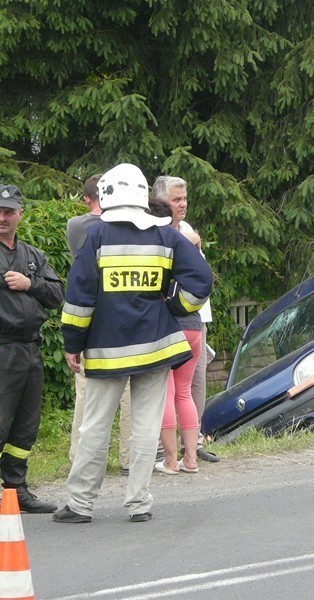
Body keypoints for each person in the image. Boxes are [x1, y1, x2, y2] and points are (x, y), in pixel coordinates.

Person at [55, 163, 212, 524]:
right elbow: (201, 279)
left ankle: (80, 505)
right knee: (145, 426)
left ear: (107, 198)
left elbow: (79, 298)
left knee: (94, 426)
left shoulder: (95, 237)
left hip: (106, 350)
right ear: (144, 197)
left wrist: (73, 342)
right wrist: (174, 306)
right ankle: (139, 503)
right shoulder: (165, 236)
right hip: (156, 347)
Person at [0, 183, 64, 513]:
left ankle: (15, 489)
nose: (2, 217)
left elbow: (56, 296)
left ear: (19, 215)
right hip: (2, 350)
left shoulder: (32, 256)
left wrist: (30, 283)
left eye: (8, 211)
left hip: (29, 350)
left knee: (25, 426)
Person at [66, 175, 132, 475]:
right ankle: (130, 458)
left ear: (86, 198)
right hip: (124, 316)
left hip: (91, 319)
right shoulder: (122, 228)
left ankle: (81, 456)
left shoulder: (76, 226)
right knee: (129, 391)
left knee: (87, 391)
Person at [152, 176, 219, 463]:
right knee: (168, 387)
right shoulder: (155, 230)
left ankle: (189, 448)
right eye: (176, 199)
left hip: (195, 318)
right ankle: (165, 451)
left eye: (184, 198)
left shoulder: (188, 230)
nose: (183, 204)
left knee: (191, 386)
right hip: (169, 320)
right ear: (160, 203)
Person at [154, 228, 204, 475]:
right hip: (195, 328)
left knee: (167, 392)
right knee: (184, 393)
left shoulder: (164, 257)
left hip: (172, 330)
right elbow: (195, 239)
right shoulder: (193, 264)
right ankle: (191, 459)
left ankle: (171, 461)